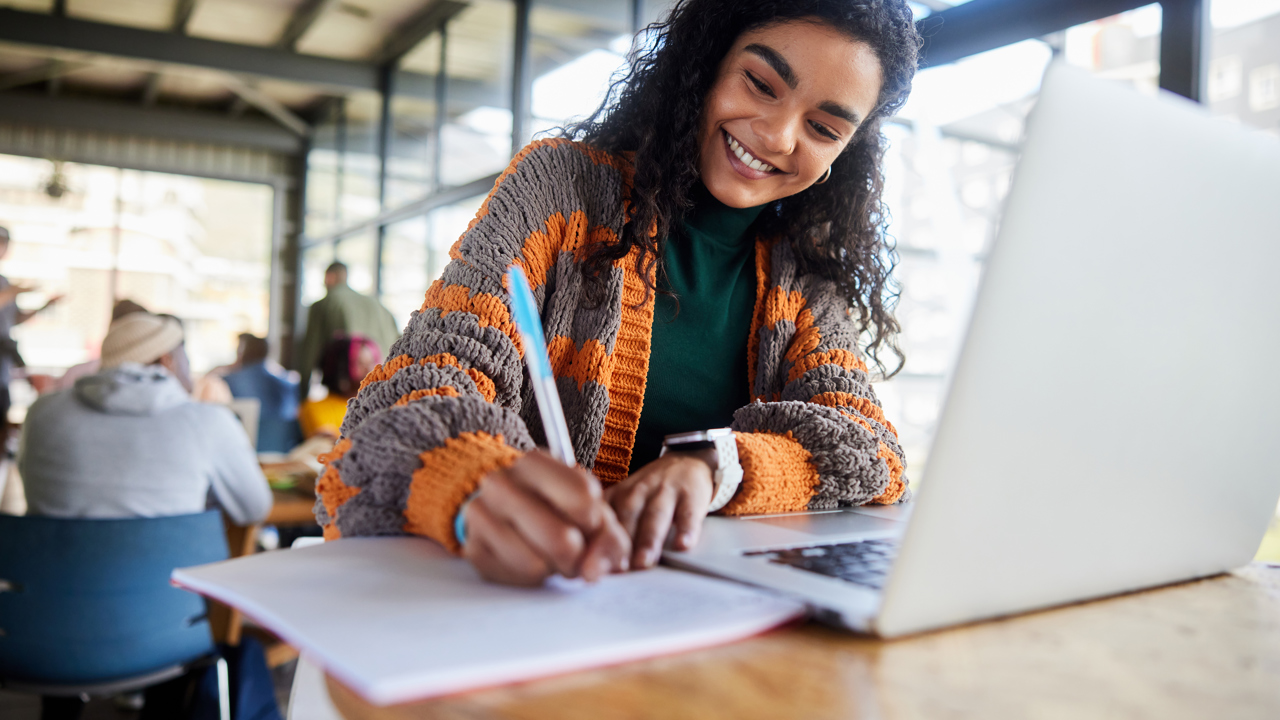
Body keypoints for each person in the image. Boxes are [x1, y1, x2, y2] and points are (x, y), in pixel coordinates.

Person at [316, 0, 918, 586]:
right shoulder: (559, 191)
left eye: (823, 127)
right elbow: (405, 398)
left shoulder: (805, 277)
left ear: (846, 151)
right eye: (761, 84)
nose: (779, 135)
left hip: (696, 626)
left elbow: (871, 452)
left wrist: (718, 466)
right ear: (707, 63)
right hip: (515, 606)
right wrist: (471, 478)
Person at [19, 312, 272, 525]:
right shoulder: (209, 421)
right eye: (185, 355)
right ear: (167, 361)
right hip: (169, 582)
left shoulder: (41, 413)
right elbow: (255, 509)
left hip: (50, 580)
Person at [297, 262, 400, 399]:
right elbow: (399, 341)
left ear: (330, 277)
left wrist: (302, 394)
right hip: (384, 389)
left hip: (345, 392)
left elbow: (309, 351)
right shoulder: (376, 304)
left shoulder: (324, 304)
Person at [0, 225, 61, 434]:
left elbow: (15, 319)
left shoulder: (5, 282)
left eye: (3, 243)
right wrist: (16, 290)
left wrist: (46, 306)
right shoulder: (9, 287)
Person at [223, 333, 303, 454]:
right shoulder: (288, 381)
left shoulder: (230, 380)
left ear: (244, 351)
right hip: (285, 450)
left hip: (246, 448)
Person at [298, 334, 380, 440]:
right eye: (360, 364)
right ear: (339, 369)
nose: (371, 370)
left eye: (372, 363)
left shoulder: (378, 406)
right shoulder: (314, 408)